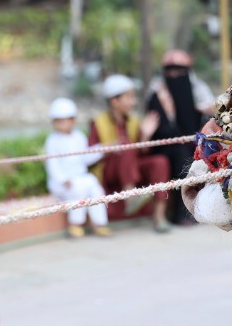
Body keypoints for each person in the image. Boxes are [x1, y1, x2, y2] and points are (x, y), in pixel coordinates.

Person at [89, 75, 171, 233]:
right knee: (125, 144)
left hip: (131, 169)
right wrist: (109, 147)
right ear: (114, 101)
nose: (133, 102)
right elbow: (90, 156)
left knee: (160, 161)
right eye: (129, 97)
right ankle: (131, 196)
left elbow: (141, 153)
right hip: (109, 171)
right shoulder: (98, 123)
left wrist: (145, 136)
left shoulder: (134, 121)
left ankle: (159, 216)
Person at [145, 50, 214, 224]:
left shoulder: (198, 92)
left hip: (194, 141)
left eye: (179, 71)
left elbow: (208, 119)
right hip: (166, 146)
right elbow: (159, 129)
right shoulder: (157, 95)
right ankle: (181, 213)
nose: (175, 75)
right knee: (182, 155)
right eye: (170, 71)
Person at [44, 97, 110, 237]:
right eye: (57, 121)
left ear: (73, 120)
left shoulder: (79, 136)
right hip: (63, 183)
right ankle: (75, 224)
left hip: (80, 178)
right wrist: (63, 180)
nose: (60, 124)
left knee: (96, 188)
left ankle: (99, 223)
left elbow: (85, 158)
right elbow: (52, 165)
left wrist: (101, 149)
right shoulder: (52, 140)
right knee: (78, 189)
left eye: (64, 120)